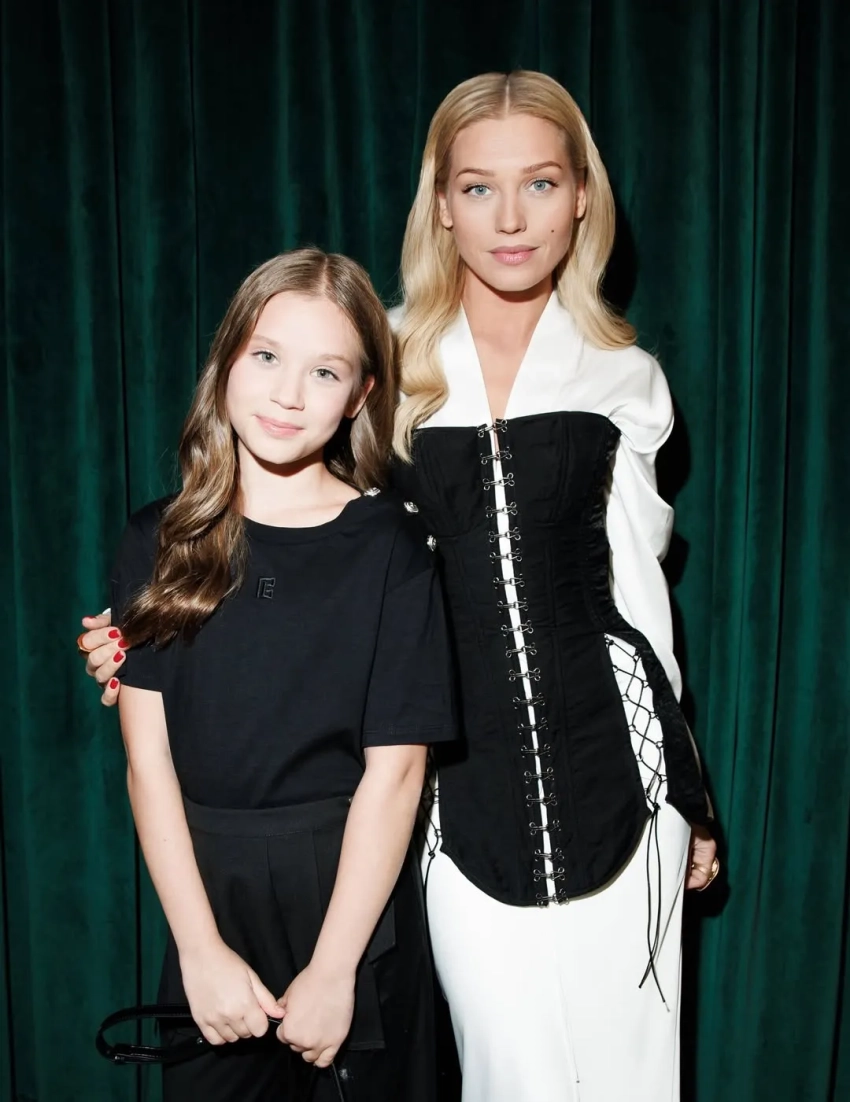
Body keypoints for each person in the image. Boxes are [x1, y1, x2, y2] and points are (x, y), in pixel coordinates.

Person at [79, 72, 718, 1102]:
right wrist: (153, 631)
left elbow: (638, 605)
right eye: (477, 188)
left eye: (540, 183)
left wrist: (687, 789)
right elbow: (291, 539)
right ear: (441, 202)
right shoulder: (377, 349)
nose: (510, 219)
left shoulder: (623, 374)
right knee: (502, 1073)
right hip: (450, 801)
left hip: (624, 776)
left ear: (581, 197)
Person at [101, 248, 455, 1102]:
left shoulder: (392, 546)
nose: (289, 394)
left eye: (324, 371)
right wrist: (199, 950)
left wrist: (335, 970)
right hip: (207, 899)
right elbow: (148, 762)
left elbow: (397, 773)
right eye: (266, 356)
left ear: (360, 396)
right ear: (226, 359)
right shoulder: (156, 540)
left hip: (354, 904)